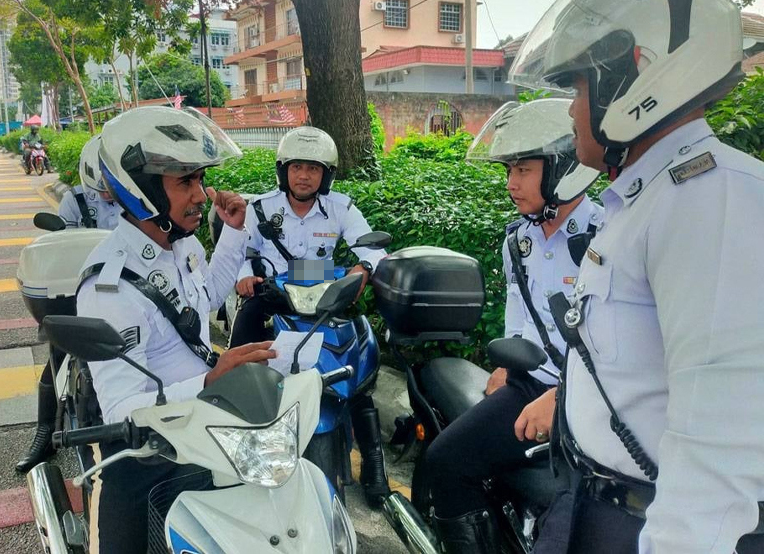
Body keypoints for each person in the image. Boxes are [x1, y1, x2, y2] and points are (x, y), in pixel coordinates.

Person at [508, 1, 764, 553]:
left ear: (636, 77)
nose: (572, 110)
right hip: (597, 502)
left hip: (649, 526)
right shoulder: (647, 199)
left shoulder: (711, 200)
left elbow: (718, 448)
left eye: (578, 88)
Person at [76, 106, 275, 554]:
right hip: (147, 454)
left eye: (201, 179)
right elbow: (121, 411)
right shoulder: (109, 287)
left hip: (203, 430)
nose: (201, 195)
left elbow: (204, 304)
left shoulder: (179, 245)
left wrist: (233, 232)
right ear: (142, 189)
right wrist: (208, 380)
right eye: (185, 182)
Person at [424, 99, 602, 552]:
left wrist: (563, 395)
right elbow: (520, 309)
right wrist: (507, 364)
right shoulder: (518, 239)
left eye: (523, 170)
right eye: (508, 170)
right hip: (530, 383)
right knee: (445, 460)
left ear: (563, 169)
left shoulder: (606, 235)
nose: (511, 184)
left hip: (592, 396)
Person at [229, 126, 391, 507]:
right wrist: (245, 277)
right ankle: (236, 436)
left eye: (313, 169)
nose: (304, 176)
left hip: (323, 301)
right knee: (239, 362)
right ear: (283, 170)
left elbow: (372, 249)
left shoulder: (341, 208)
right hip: (273, 299)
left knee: (358, 366)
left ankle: (374, 461)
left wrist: (362, 270)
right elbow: (240, 252)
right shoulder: (261, 208)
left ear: (326, 175)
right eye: (297, 167)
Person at [15, 135, 122, 473]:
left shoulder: (138, 200)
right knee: (57, 353)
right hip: (79, 289)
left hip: (125, 292)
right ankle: (44, 433)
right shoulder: (74, 201)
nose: (108, 193)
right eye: (102, 186)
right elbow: (63, 246)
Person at [57, 135, 122, 229]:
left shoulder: (137, 200)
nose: (106, 195)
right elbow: (64, 234)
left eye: (111, 190)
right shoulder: (75, 199)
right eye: (100, 190)